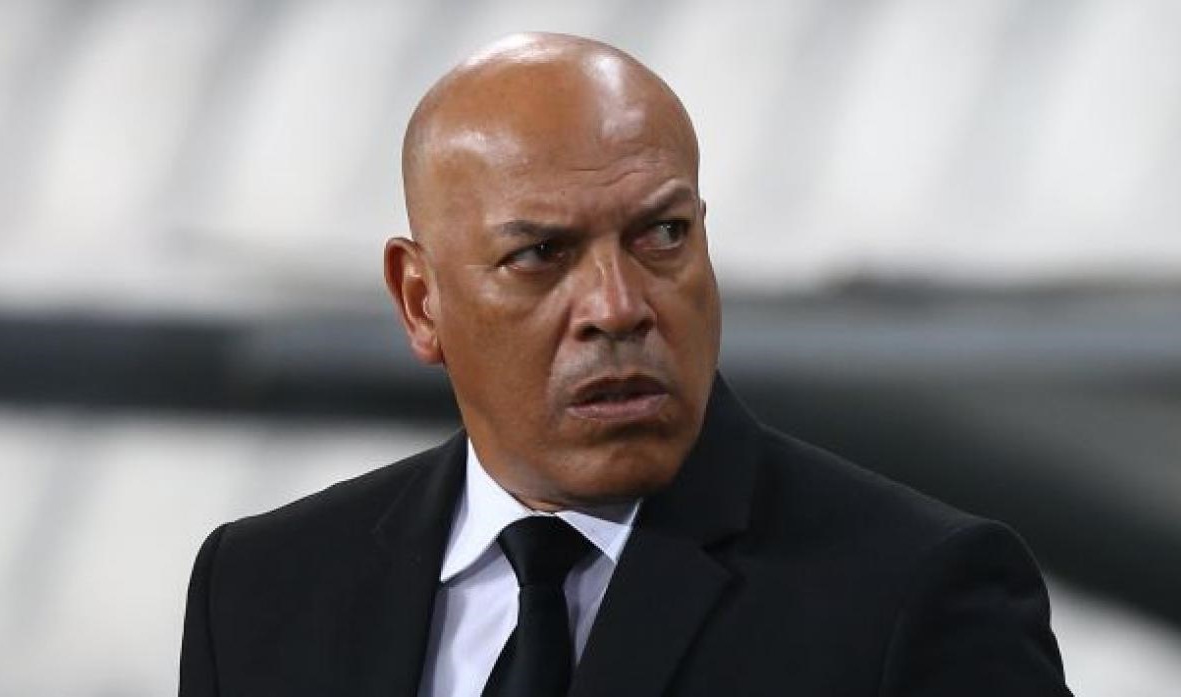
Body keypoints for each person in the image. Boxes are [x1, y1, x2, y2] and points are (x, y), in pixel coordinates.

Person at [179, 32, 1072, 697]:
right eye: (541, 253)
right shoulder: (260, 588)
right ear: (421, 300)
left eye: (662, 235)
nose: (617, 306)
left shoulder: (915, 592)